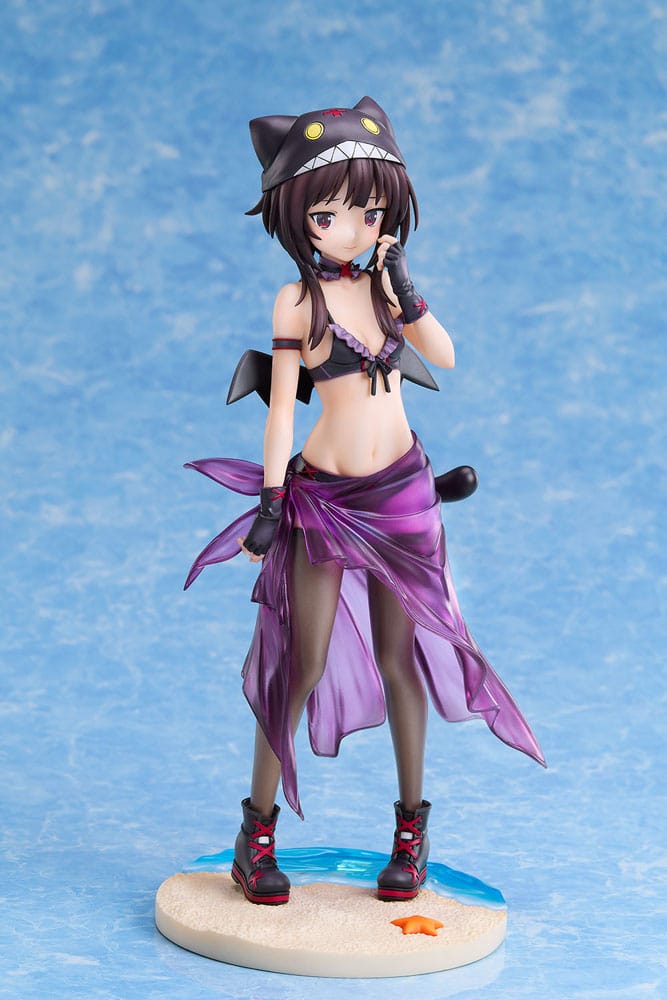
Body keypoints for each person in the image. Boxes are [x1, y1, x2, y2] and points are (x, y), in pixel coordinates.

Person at [185, 97, 545, 907]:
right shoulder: (296, 302)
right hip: (322, 501)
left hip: (404, 494)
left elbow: (444, 355)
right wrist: (270, 503)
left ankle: (411, 833)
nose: (349, 229)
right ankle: (256, 833)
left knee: (399, 659)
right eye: (328, 214)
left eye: (368, 212)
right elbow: (282, 413)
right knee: (301, 664)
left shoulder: (387, 292)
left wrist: (403, 285)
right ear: (297, 217)